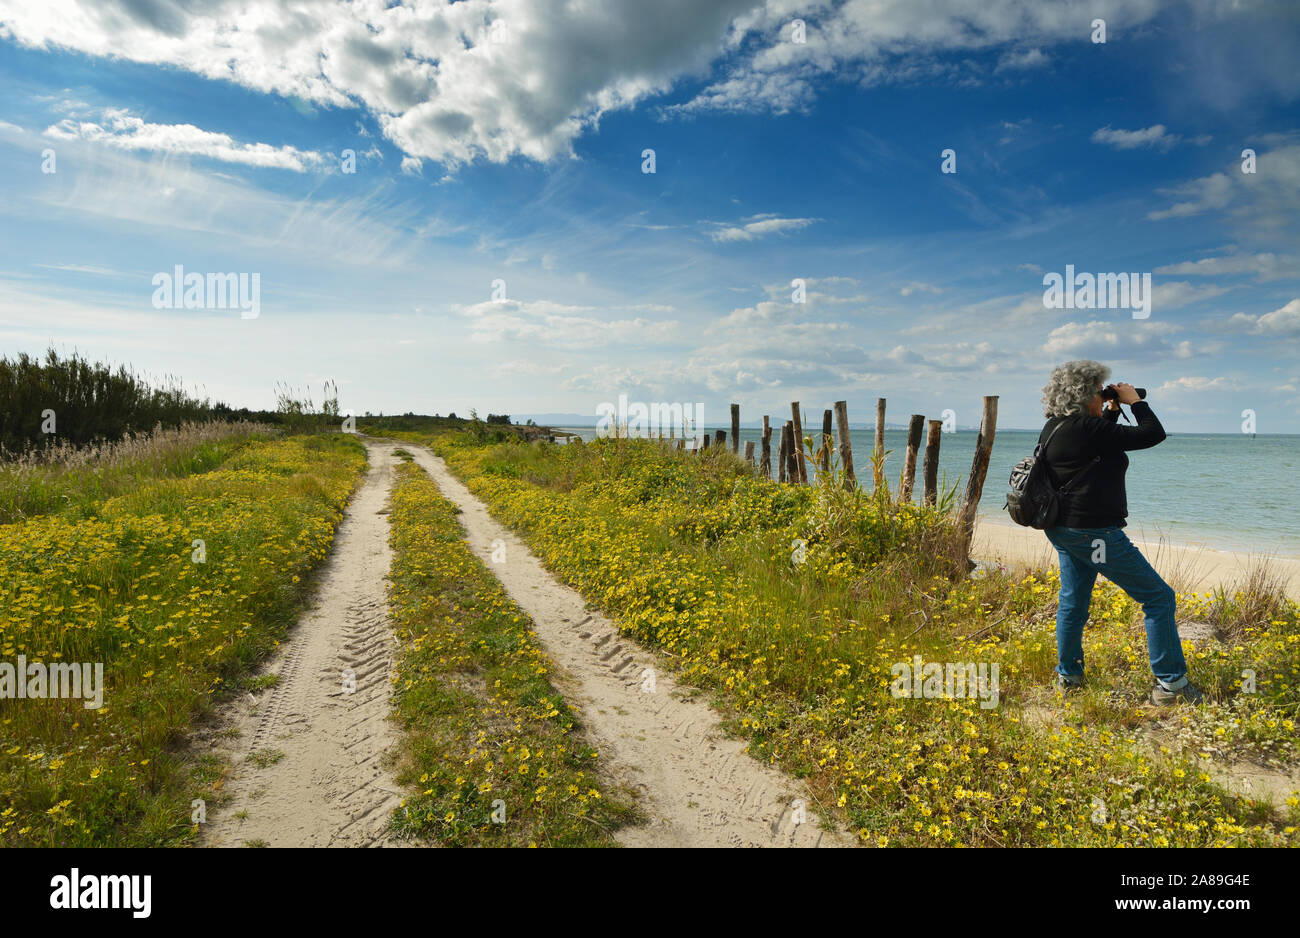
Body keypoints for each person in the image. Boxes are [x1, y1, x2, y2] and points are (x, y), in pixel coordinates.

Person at [1038, 360, 1203, 706]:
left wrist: (1111, 410)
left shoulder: (1057, 427)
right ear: (1086, 395)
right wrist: (1135, 402)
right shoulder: (1087, 429)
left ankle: (1069, 676)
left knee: (1073, 603)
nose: (1104, 395)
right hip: (1094, 534)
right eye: (1100, 390)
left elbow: (1097, 449)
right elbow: (1152, 434)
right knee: (1158, 597)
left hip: (1064, 530)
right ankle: (1171, 686)